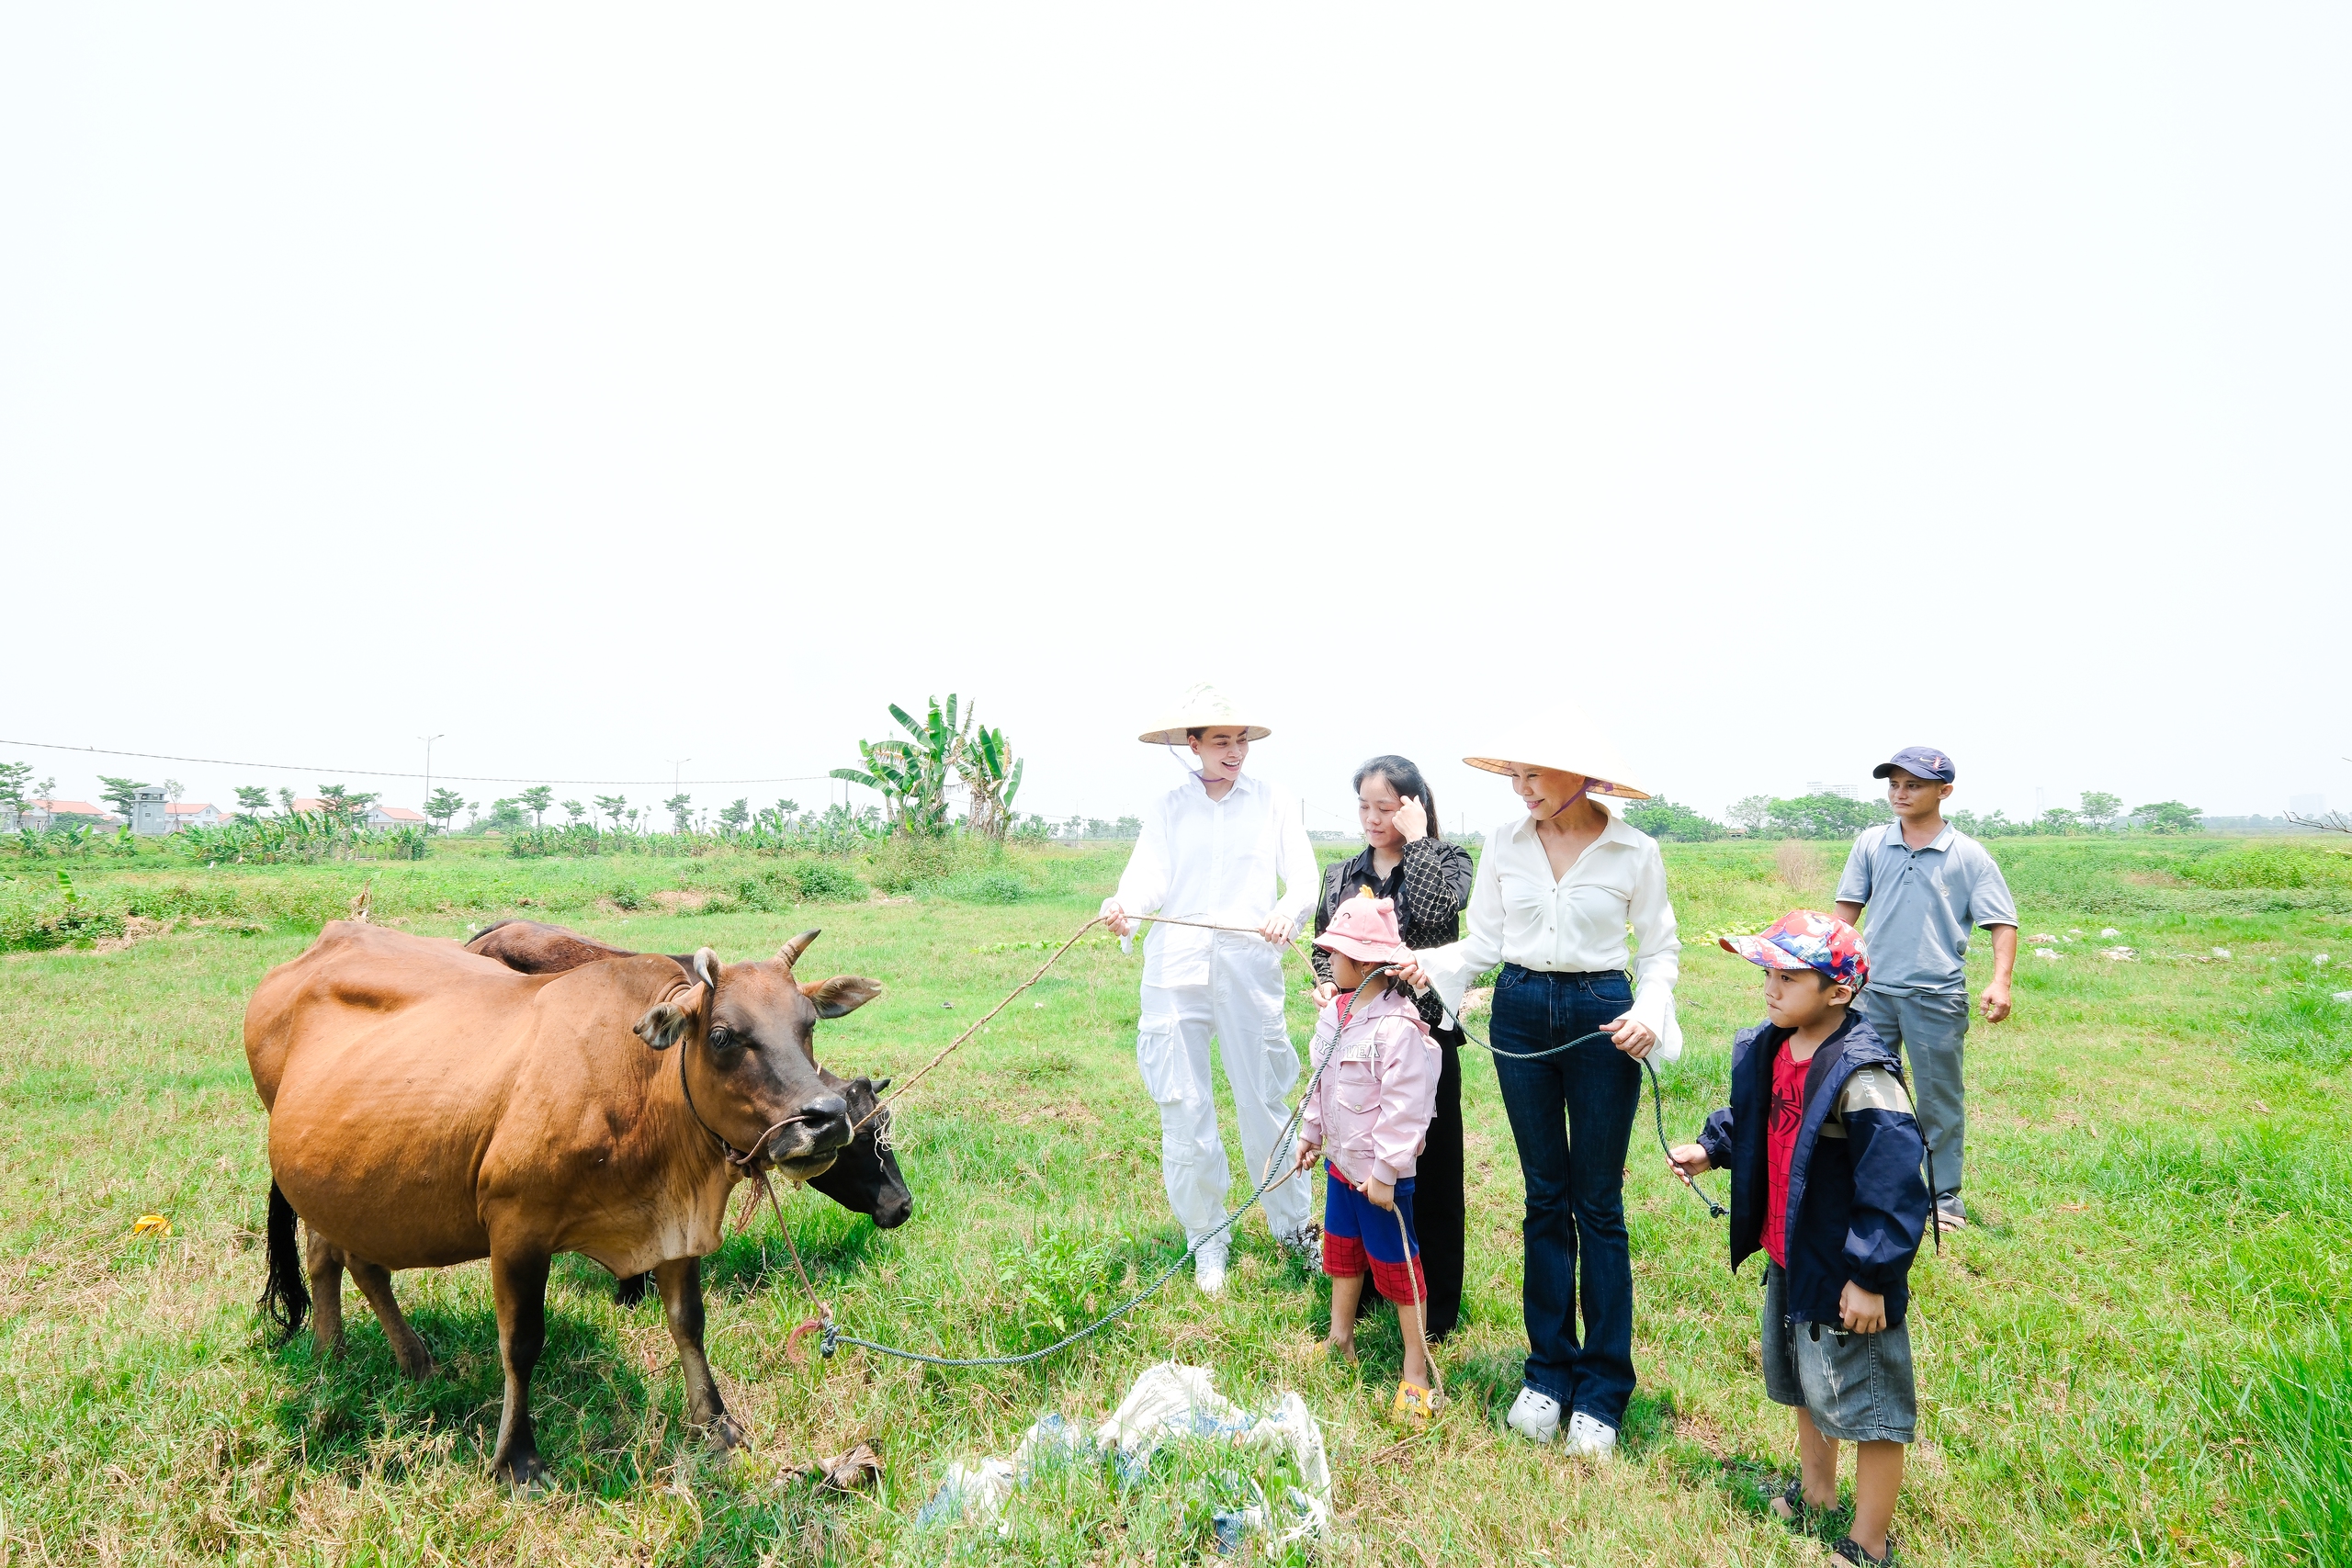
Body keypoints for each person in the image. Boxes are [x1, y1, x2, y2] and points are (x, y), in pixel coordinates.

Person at [1397, 713, 1681, 1460]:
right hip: (1521, 1011)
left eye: (1534, 776)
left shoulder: (1634, 850)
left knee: (1598, 1203)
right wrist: (1433, 963)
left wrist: (1649, 1010)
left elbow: (1660, 950)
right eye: (1513, 777)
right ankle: (1548, 1373)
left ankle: (1602, 1388)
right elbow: (1487, 941)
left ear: (1584, 776)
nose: (1520, 790)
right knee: (1542, 1197)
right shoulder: (1505, 842)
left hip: (1600, 1018)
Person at [1670, 910, 1930, 1568]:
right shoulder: (1772, 1046)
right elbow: (1759, 1118)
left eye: (1789, 975)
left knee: (1869, 1405)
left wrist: (1871, 1277)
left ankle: (1870, 1540)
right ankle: (1816, 1492)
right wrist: (1712, 1146)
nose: (1770, 986)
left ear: (1839, 992)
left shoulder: (1863, 1074)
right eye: (1767, 971)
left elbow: (1896, 1181)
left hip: (1845, 1268)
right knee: (1805, 1384)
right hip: (1791, 1253)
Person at [1102, 683, 1319, 1294]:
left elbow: (1302, 876)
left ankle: (1292, 1225)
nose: (1234, 750)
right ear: (1191, 745)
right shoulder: (1169, 807)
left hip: (1250, 967)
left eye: (1241, 739)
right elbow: (1147, 879)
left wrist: (1287, 910)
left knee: (1265, 1101)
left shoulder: (1273, 801)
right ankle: (1207, 1236)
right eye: (1220, 740)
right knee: (1186, 1109)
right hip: (1176, 973)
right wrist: (1125, 910)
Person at [1307, 755, 1475, 1339]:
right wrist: (1325, 978)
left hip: (1418, 1041)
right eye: (1364, 807)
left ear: (1414, 804)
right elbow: (1321, 942)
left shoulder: (1447, 861)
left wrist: (1420, 839)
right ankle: (1378, 1290)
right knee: (1357, 1163)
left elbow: (1432, 916)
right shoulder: (1343, 873)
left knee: (1427, 1171)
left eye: (1386, 807)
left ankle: (1437, 1309)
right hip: (1353, 1047)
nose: (1373, 819)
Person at [1833, 746, 2018, 1233]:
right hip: (1872, 993)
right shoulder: (1871, 843)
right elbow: (1846, 914)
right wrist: (1830, 970)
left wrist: (2000, 981)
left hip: (1936, 996)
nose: (1900, 793)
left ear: (1944, 791)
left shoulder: (1968, 855)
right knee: (1863, 1091)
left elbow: (2001, 921)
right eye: (1894, 784)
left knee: (1938, 1100)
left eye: (1913, 785)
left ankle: (1944, 1197)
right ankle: (1868, 1186)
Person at [1293, 890, 1442, 1428]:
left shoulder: (1397, 1029)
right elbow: (1321, 1080)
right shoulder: (1335, 1015)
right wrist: (1311, 1134)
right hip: (1340, 1165)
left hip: (1380, 1180)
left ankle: (1416, 1368)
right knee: (1342, 1253)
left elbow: (1406, 1110)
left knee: (1397, 1269)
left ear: (1361, 963)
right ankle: (1340, 1336)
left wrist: (1384, 1174)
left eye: (1333, 954)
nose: (1327, 961)